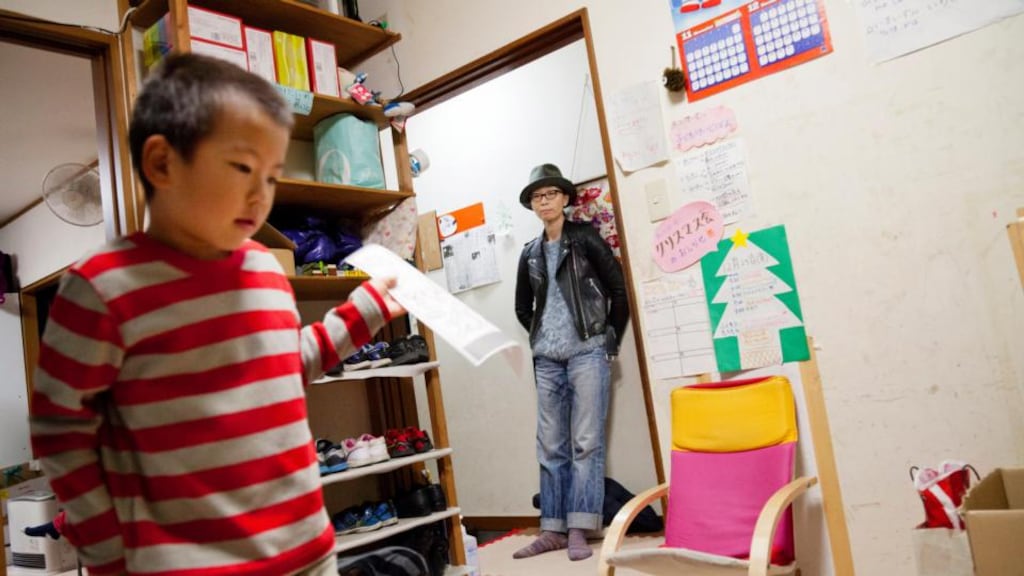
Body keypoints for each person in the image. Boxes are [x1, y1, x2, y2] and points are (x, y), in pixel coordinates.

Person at [28, 53, 404, 576]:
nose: (261, 195)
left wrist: (363, 312)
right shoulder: (101, 287)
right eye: (244, 168)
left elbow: (280, 370)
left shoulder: (263, 268)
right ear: (162, 163)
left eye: (271, 177)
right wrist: (105, 546)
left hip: (307, 548)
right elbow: (60, 432)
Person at [512, 164, 629, 561]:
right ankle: (552, 528)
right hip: (547, 358)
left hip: (588, 352)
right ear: (533, 205)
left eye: (550, 194)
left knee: (586, 442)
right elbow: (522, 308)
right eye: (537, 197)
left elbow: (617, 289)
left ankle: (579, 527)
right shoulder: (529, 253)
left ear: (564, 198)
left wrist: (607, 339)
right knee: (550, 446)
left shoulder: (584, 239)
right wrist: (543, 335)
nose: (544, 201)